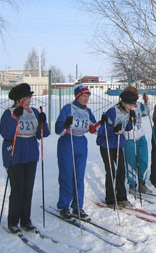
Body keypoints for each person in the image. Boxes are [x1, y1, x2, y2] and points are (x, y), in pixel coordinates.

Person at [0, 83, 49, 233]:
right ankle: (13, 222)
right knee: (17, 189)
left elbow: (43, 134)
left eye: (29, 97)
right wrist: (16, 117)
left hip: (31, 154)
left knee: (28, 189)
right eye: (25, 98)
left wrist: (42, 121)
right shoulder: (9, 112)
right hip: (15, 154)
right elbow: (6, 134)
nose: (28, 101)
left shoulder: (33, 111)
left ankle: (25, 220)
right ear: (17, 100)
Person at [55, 84, 99, 221]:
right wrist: (66, 126)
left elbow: (93, 127)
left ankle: (77, 206)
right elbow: (58, 128)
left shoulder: (87, 110)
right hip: (68, 142)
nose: (86, 99)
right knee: (67, 175)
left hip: (81, 143)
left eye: (87, 96)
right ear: (77, 96)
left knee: (79, 177)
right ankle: (64, 206)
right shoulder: (68, 108)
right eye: (83, 96)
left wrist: (99, 125)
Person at [96, 90, 137, 208]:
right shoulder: (112, 112)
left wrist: (131, 121)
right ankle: (110, 199)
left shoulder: (128, 112)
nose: (131, 107)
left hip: (119, 144)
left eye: (133, 105)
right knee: (111, 172)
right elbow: (101, 131)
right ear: (123, 103)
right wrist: (113, 130)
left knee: (121, 171)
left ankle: (121, 197)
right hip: (107, 145)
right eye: (130, 105)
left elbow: (127, 128)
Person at [122, 86, 152, 194]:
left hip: (140, 135)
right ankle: (132, 184)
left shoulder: (139, 105)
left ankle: (142, 182)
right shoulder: (123, 106)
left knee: (144, 160)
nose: (135, 100)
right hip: (129, 136)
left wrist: (147, 102)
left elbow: (147, 112)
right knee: (131, 161)